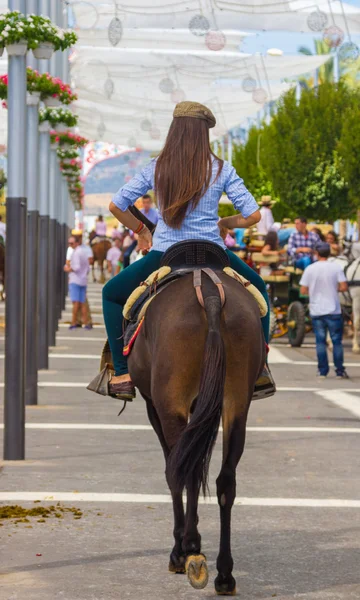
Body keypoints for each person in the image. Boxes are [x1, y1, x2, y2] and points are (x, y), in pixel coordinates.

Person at [102, 100, 275, 401]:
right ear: (204, 134)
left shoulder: (157, 167)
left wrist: (142, 231)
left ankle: (121, 372)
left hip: (166, 255)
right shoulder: (222, 168)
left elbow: (117, 205)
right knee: (259, 291)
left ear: (175, 131)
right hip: (215, 253)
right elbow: (253, 215)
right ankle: (260, 369)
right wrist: (225, 221)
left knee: (112, 294)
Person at [300, 242, 349, 379]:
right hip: (334, 310)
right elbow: (344, 287)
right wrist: (334, 289)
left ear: (316, 253)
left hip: (317, 310)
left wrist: (314, 291)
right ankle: (339, 371)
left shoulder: (310, 269)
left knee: (320, 342)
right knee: (337, 342)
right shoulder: (336, 267)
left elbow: (303, 290)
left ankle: (322, 371)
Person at [64, 236, 91, 330]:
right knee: (82, 302)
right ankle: (87, 323)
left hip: (75, 280)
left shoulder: (76, 253)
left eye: (71, 243)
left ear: (77, 243)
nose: (70, 245)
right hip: (83, 280)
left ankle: (73, 322)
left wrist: (68, 269)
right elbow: (87, 267)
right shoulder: (83, 252)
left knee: (75, 303)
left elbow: (76, 267)